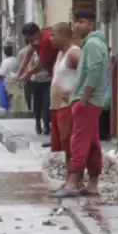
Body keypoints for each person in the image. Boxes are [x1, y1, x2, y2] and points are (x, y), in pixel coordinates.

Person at [53, 9, 108, 198]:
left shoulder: (92, 44)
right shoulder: (93, 43)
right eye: (76, 22)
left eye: (82, 22)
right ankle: (92, 184)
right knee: (92, 143)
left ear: (91, 24)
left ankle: (73, 183)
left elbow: (94, 72)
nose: (77, 25)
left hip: (88, 102)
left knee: (79, 142)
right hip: (89, 101)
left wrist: (83, 97)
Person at [17, 22, 55, 136]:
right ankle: (39, 124)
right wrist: (19, 74)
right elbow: (28, 55)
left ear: (36, 33)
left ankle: (47, 127)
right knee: (37, 103)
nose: (30, 42)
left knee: (47, 104)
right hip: (38, 79)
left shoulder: (45, 40)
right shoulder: (35, 41)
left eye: (30, 38)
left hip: (50, 76)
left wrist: (27, 74)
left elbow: (40, 64)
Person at [48, 24, 80, 156]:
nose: (50, 39)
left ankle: (75, 174)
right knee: (64, 147)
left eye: (53, 35)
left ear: (63, 36)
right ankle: (70, 175)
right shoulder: (61, 53)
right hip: (57, 107)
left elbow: (90, 72)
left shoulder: (74, 53)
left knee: (70, 145)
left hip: (67, 106)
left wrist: (76, 93)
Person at [0, 45, 18, 112]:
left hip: (6, 81)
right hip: (15, 80)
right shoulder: (16, 60)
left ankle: (4, 108)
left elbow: (1, 74)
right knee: (13, 97)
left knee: (4, 98)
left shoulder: (5, 61)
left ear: (5, 53)